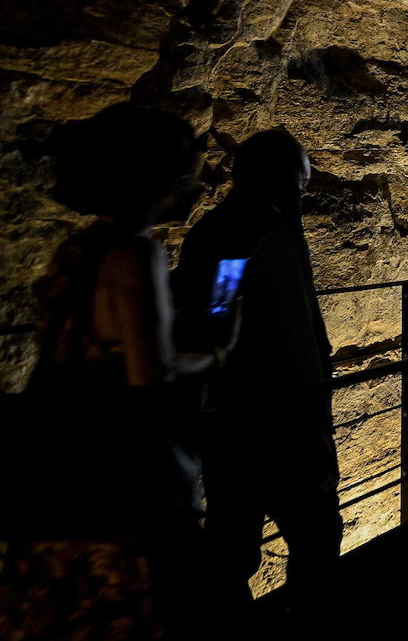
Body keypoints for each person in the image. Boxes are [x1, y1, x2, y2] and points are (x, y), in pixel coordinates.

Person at [6, 103, 211, 638]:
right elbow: (151, 372)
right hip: (119, 477)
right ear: (157, 176)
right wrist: (215, 351)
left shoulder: (75, 249)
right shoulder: (134, 255)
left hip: (58, 473)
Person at [174, 128, 342, 618]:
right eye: (298, 183)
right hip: (262, 414)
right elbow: (219, 312)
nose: (301, 195)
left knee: (239, 540)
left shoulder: (259, 227)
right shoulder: (238, 233)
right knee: (302, 533)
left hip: (258, 413)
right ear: (274, 178)